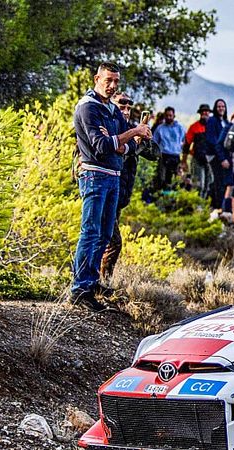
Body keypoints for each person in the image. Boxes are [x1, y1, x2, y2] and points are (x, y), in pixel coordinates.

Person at [71, 62, 151, 312]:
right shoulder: (88, 108)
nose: (113, 85)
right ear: (97, 78)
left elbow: (126, 147)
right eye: (108, 80)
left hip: (113, 175)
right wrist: (132, 133)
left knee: (105, 234)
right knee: (91, 231)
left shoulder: (111, 109)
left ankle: (92, 282)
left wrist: (121, 140)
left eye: (116, 81)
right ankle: (80, 289)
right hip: (94, 175)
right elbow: (102, 146)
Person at [100, 92, 159, 282]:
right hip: (104, 192)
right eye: (121, 105)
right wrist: (131, 139)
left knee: (105, 242)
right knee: (112, 242)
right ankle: (99, 284)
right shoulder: (107, 127)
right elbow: (108, 152)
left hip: (120, 197)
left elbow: (155, 154)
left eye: (128, 107)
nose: (125, 110)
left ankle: (99, 283)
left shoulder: (132, 129)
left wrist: (144, 137)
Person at [205, 98, 232, 213]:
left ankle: (221, 205)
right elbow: (212, 139)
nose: (221, 108)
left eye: (223, 106)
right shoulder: (212, 121)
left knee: (224, 182)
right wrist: (221, 157)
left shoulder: (226, 122)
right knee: (217, 181)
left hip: (224, 156)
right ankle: (215, 206)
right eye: (219, 106)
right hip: (215, 156)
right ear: (215, 108)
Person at [151, 106, 185, 191]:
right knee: (162, 178)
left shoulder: (179, 128)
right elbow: (154, 142)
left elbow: (184, 140)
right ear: (165, 116)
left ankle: (172, 199)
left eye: (170, 115)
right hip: (164, 156)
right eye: (167, 115)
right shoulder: (160, 128)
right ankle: (161, 196)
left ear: (174, 116)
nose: (169, 117)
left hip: (175, 156)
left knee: (175, 180)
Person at [183, 103, 212, 198]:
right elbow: (186, 145)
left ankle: (204, 205)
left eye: (206, 111)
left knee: (209, 184)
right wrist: (184, 161)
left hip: (210, 160)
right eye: (203, 111)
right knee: (199, 184)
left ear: (209, 113)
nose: (205, 113)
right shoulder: (194, 127)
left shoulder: (213, 126)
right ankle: (196, 204)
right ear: (200, 113)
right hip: (197, 159)